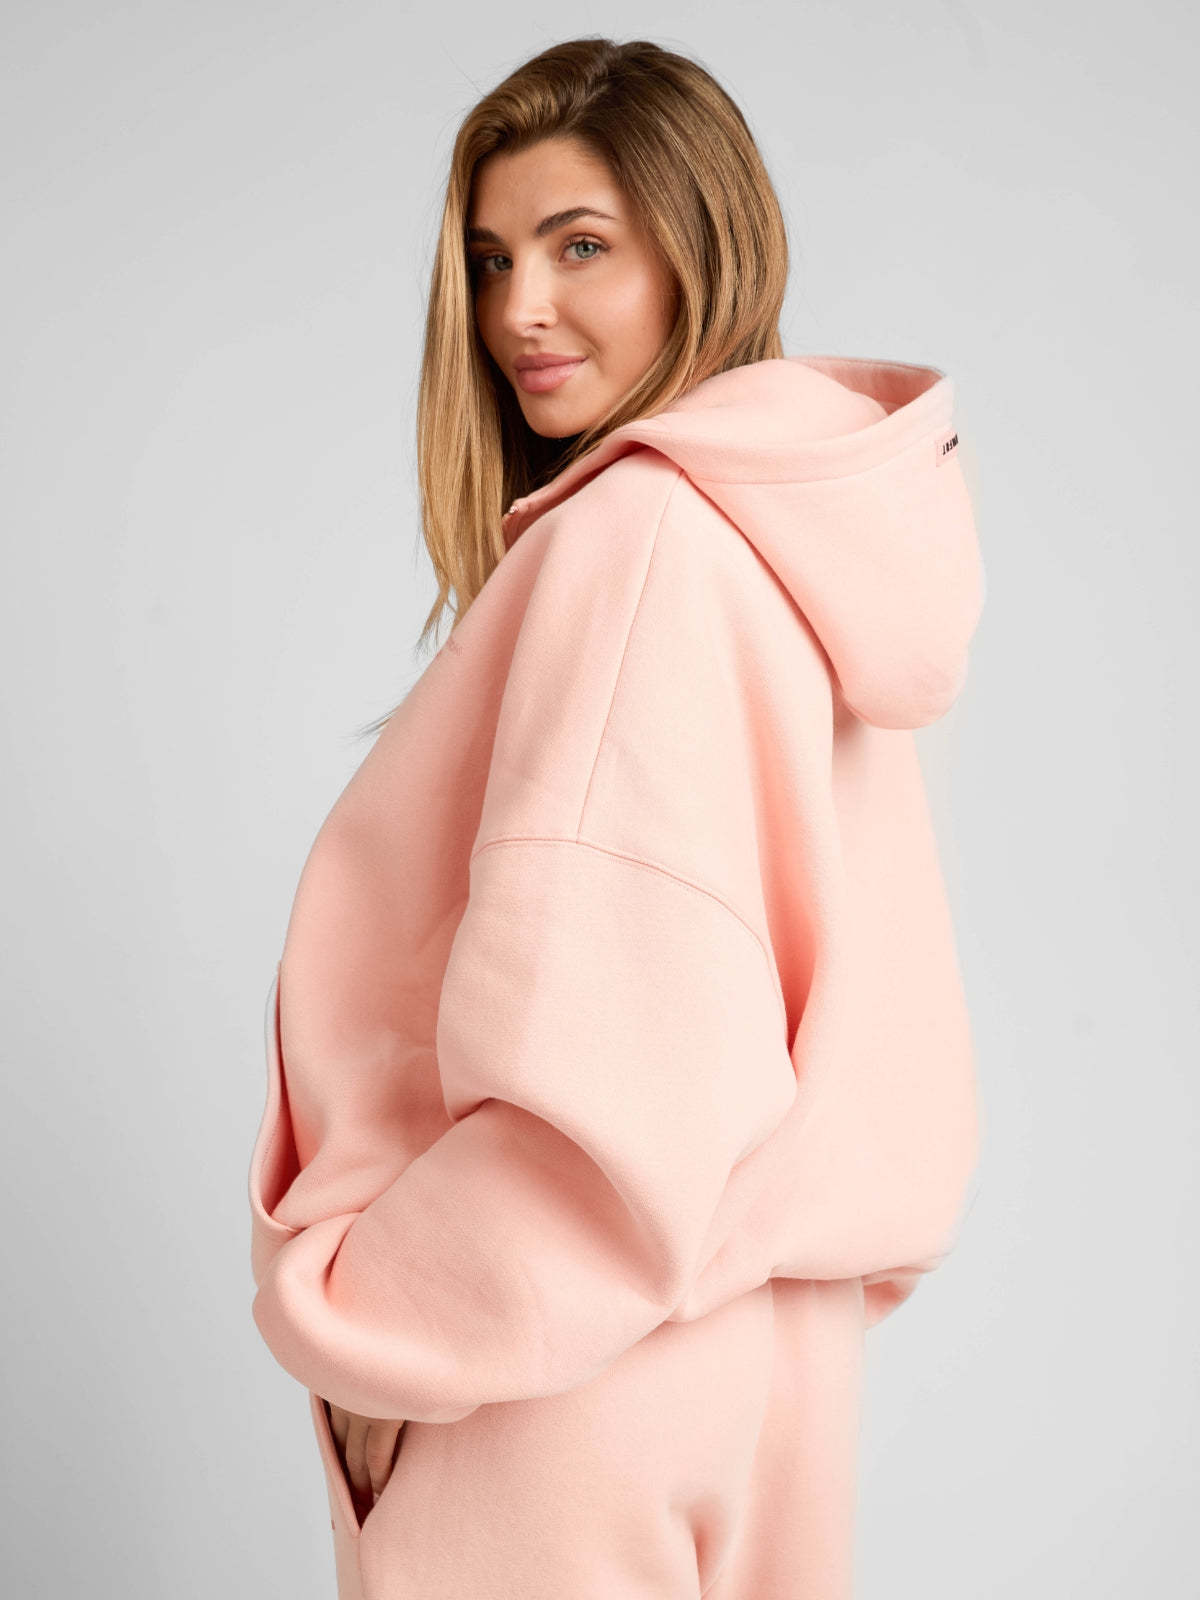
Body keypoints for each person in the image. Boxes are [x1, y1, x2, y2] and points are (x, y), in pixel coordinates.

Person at [247, 35, 985, 1600]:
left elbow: (616, 1075)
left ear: (701, 248)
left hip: (561, 1380)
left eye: (581, 246)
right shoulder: (791, 548)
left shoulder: (639, 538)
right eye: (492, 258)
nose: (519, 307)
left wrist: (390, 1332)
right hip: (763, 1354)